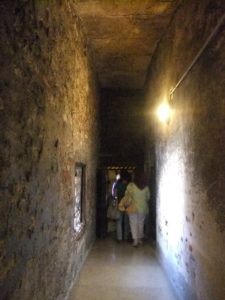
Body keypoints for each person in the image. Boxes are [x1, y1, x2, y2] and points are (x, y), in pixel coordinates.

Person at [120, 169, 150, 247]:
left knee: (133, 224)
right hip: (143, 208)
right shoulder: (146, 187)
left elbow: (126, 195)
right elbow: (148, 197)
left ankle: (135, 241)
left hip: (132, 208)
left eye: (133, 175)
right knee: (141, 223)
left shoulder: (131, 186)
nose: (132, 176)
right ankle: (140, 239)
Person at [112, 170, 130, 242]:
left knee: (119, 221)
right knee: (126, 222)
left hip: (119, 204)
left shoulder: (117, 184)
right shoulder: (129, 185)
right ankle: (126, 237)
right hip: (128, 205)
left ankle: (119, 238)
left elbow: (114, 194)